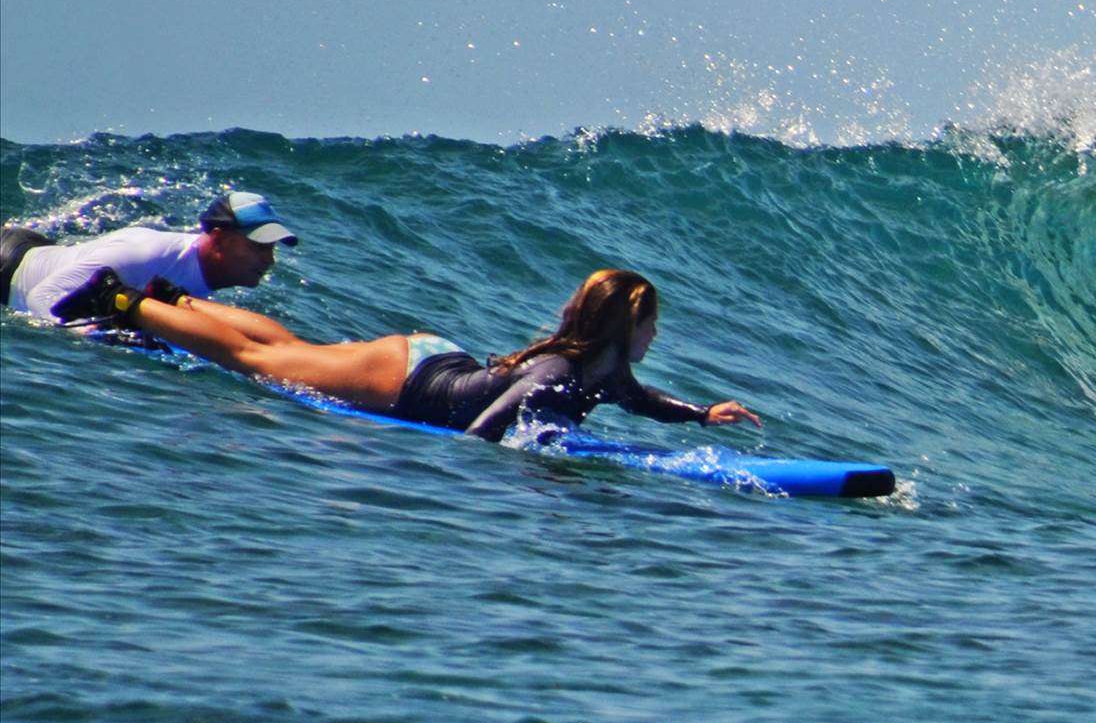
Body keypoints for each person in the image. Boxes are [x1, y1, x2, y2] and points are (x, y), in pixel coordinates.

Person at [57, 264, 759, 442]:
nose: (655, 336)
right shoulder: (558, 372)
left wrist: (702, 413)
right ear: (623, 327)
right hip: (404, 379)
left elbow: (639, 401)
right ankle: (120, 301)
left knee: (291, 349)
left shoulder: (605, 371)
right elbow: (487, 427)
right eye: (650, 325)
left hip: (433, 358)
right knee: (259, 361)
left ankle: (179, 303)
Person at [5, 190, 299, 327]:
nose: (270, 260)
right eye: (259, 247)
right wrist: (92, 336)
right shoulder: (146, 253)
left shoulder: (201, 281)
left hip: (40, 251)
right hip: (7, 266)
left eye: (272, 248)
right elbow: (41, 298)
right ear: (219, 239)